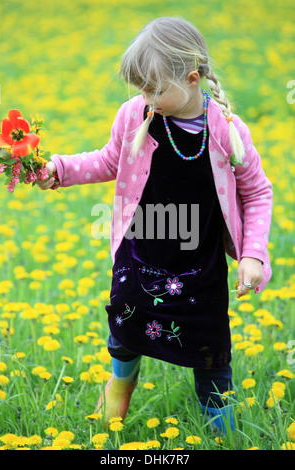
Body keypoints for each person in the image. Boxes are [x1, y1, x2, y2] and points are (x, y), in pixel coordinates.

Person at [37, 17, 272, 434]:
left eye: (155, 89)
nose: (147, 97)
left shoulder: (227, 131)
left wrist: (252, 255)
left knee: (209, 347)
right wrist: (59, 168)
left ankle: (224, 432)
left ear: (193, 78)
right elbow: (108, 160)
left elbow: (256, 192)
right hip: (140, 251)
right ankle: (118, 392)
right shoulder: (135, 115)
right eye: (142, 89)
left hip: (199, 265)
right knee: (126, 331)